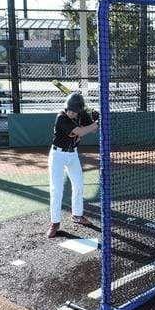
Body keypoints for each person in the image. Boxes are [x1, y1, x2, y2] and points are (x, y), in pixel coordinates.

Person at [47, 91, 98, 239]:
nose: (71, 113)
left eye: (74, 111)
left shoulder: (81, 114)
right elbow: (80, 132)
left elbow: (93, 130)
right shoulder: (61, 118)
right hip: (58, 155)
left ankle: (77, 215)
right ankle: (55, 223)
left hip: (73, 154)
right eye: (70, 110)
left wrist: (95, 118)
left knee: (79, 184)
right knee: (56, 190)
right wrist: (96, 123)